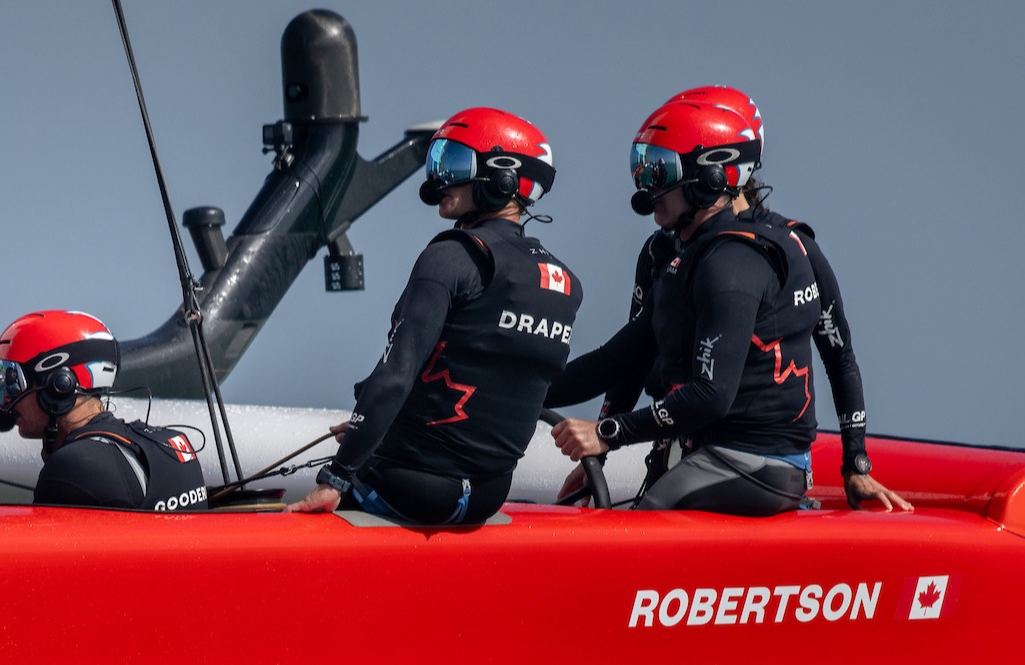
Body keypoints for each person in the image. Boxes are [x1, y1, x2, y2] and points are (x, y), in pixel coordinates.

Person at [546, 100, 873, 515]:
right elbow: (619, 360)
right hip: (701, 444)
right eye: (643, 169)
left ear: (710, 175)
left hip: (748, 457)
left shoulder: (731, 262)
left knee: (635, 533)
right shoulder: (679, 257)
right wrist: (519, 390)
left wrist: (608, 432)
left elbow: (713, 395)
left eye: (658, 171)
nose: (645, 186)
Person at [286, 107, 581, 525]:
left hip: (415, 489)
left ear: (503, 178)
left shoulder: (450, 256)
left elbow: (395, 375)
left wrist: (336, 476)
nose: (440, 178)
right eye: (438, 162)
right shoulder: (566, 284)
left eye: (455, 163)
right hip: (488, 497)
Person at [0, 309, 208, 512]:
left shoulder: (71, 468)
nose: (4, 403)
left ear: (60, 384)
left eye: (12, 383)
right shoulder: (175, 444)